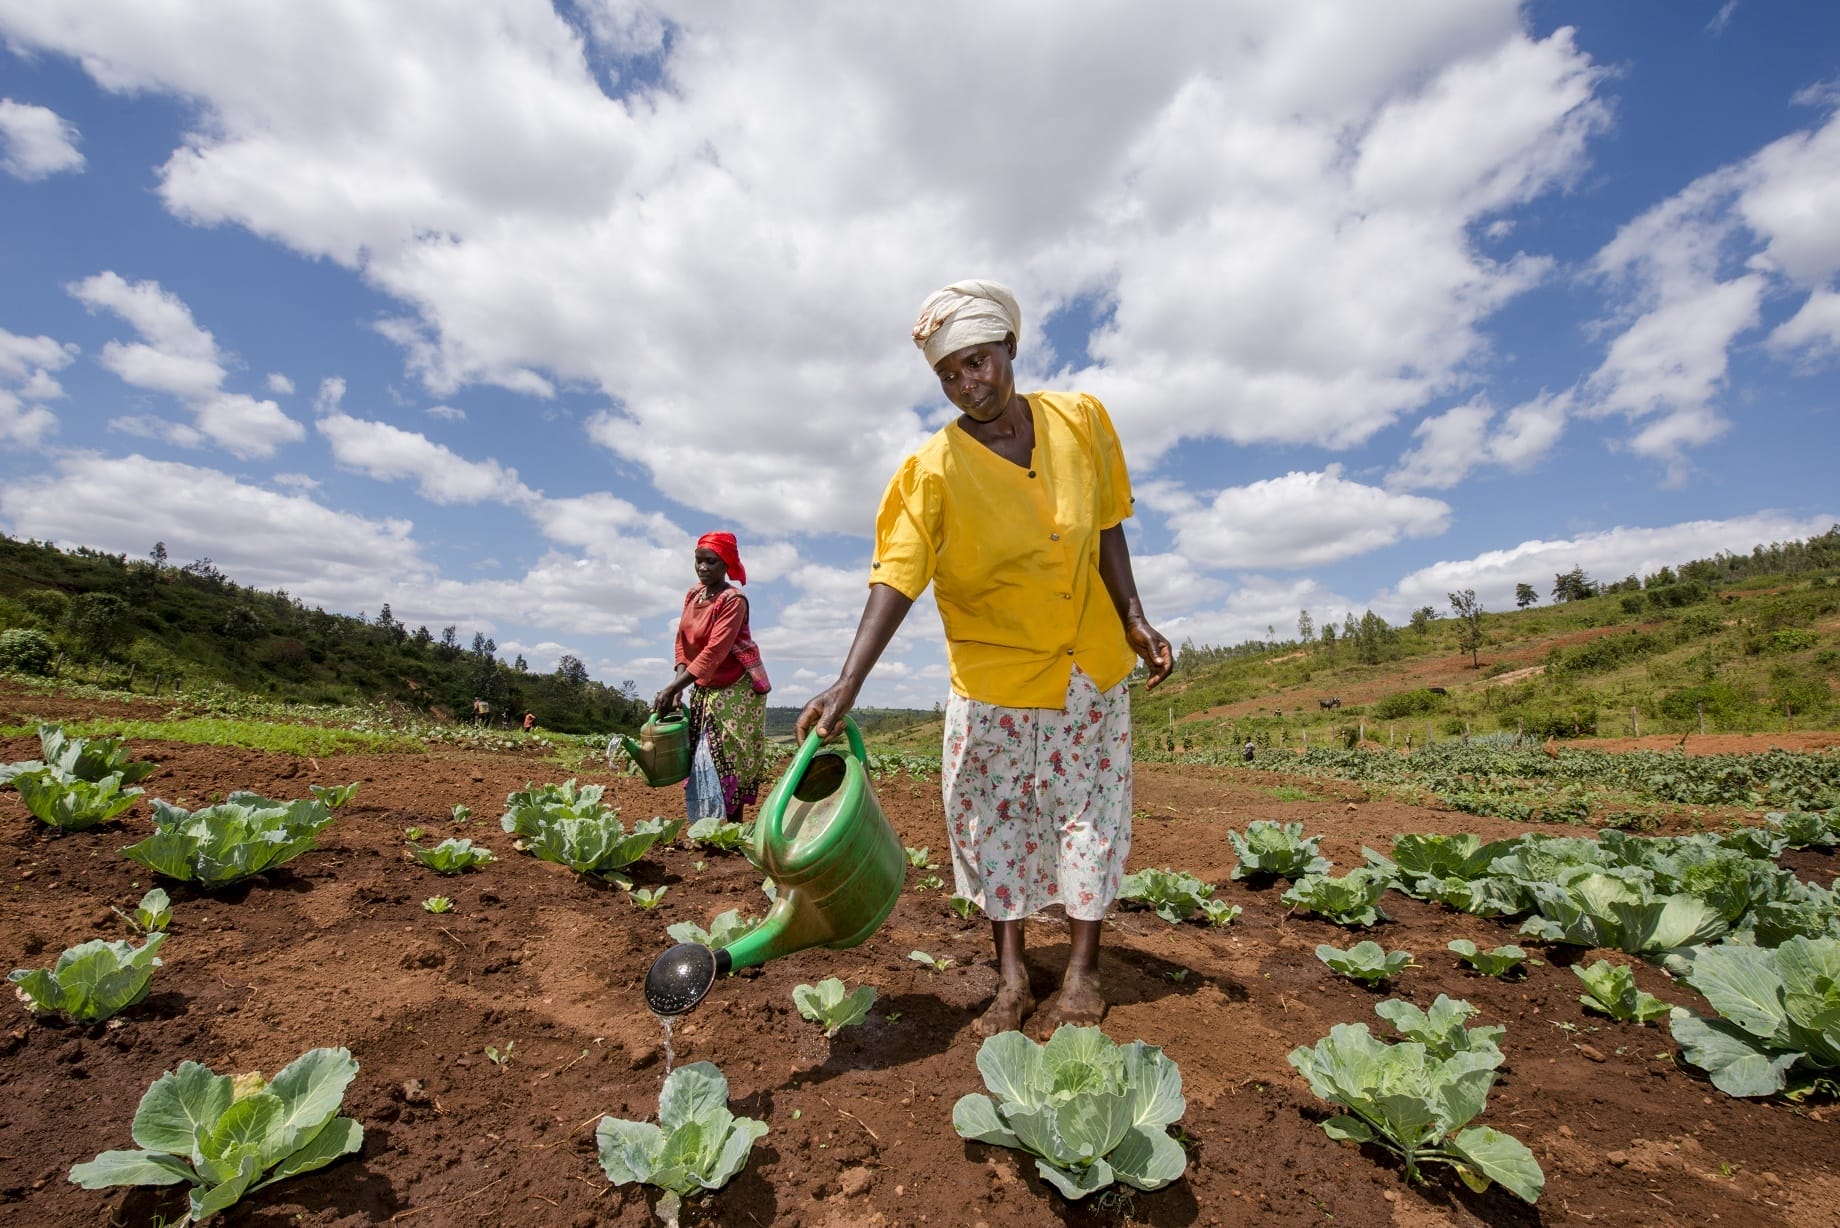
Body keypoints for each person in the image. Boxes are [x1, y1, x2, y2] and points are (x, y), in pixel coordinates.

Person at [796, 279, 1173, 1038]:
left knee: (1088, 817)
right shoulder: (932, 472)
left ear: (1011, 348)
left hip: (1085, 668)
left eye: (978, 361)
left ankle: (1081, 971)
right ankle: (1009, 978)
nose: (969, 383)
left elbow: (1106, 529)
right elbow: (896, 576)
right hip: (995, 678)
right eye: (950, 374)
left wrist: (1133, 615)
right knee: (992, 824)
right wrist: (850, 679)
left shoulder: (1083, 421)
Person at [653, 532, 771, 822]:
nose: (703, 568)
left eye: (711, 562)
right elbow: (682, 641)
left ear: (726, 564)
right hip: (703, 684)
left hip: (736, 688)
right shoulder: (693, 594)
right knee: (700, 757)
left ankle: (730, 828)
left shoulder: (733, 601)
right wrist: (678, 685)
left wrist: (673, 688)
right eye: (698, 561)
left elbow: (714, 652)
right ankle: (706, 825)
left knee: (728, 757)